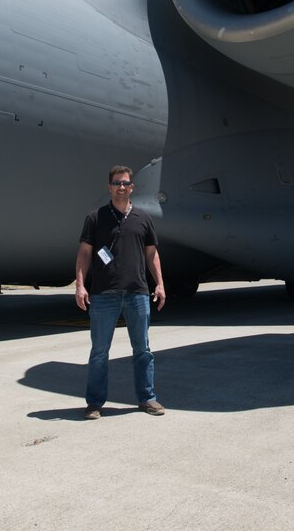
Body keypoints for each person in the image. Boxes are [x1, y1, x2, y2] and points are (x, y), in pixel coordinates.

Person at [75, 165, 166, 419]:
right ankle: (94, 403)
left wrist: (159, 283)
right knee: (99, 352)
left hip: (137, 292)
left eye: (126, 183)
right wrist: (80, 285)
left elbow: (152, 255)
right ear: (109, 187)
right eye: (117, 183)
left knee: (143, 350)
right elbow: (84, 253)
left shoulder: (143, 219)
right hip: (104, 294)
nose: (122, 187)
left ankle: (147, 399)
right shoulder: (95, 218)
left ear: (132, 187)